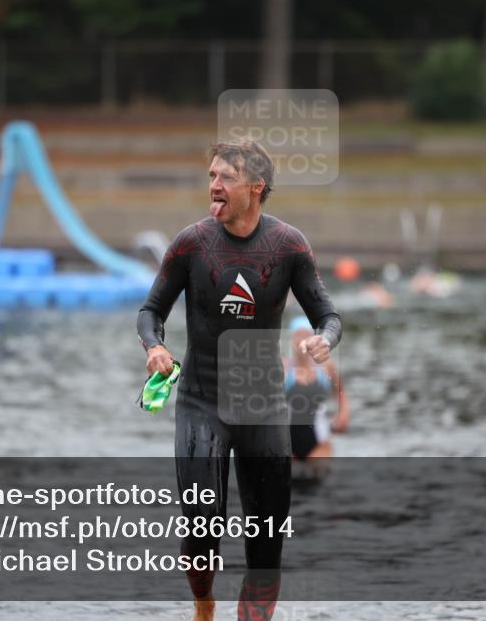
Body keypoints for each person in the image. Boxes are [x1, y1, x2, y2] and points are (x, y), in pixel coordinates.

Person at [137, 139, 342, 621]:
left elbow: (328, 315)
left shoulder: (288, 245)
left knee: (267, 540)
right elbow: (151, 311)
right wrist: (156, 346)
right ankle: (204, 606)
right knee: (203, 525)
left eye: (224, 177)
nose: (213, 185)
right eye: (210, 175)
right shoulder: (191, 243)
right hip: (201, 402)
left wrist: (324, 340)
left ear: (256, 187)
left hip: (263, 405)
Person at [283, 316, 349, 460]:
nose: (301, 340)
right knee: (291, 481)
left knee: (320, 479)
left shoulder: (326, 367)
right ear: (291, 339)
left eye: (305, 335)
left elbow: (340, 391)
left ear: (313, 339)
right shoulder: (284, 368)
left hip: (320, 440)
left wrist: (343, 414)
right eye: (297, 335)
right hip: (288, 441)